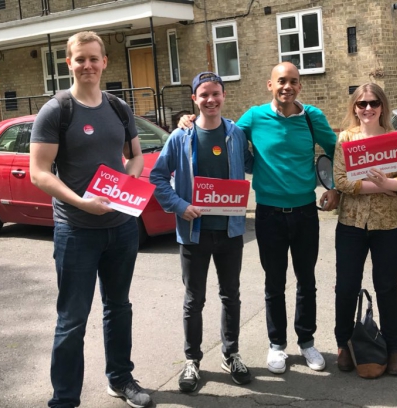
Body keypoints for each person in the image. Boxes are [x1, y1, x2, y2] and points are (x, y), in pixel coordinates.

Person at [179, 62, 340, 374]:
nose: (287, 87)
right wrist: (190, 119)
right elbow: (224, 137)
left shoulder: (312, 117)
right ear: (270, 85)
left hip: (306, 212)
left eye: (293, 81)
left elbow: (337, 151)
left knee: (306, 281)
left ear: (299, 86)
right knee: (274, 282)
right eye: (281, 81)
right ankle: (277, 344)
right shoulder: (254, 116)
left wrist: (334, 187)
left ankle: (306, 342)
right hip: (268, 214)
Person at [29, 32, 152, 408]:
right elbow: (39, 172)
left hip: (121, 228)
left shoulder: (118, 107)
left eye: (94, 59)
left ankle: (120, 379)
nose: (88, 65)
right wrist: (82, 202)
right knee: (72, 321)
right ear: (69, 63)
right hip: (76, 231)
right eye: (80, 59)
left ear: (104, 62)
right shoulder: (57, 110)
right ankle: (64, 399)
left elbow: (135, 157)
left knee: (119, 307)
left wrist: (125, 186)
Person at [149, 72, 254, 393]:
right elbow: (157, 176)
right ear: (194, 99)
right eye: (204, 95)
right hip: (194, 234)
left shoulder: (235, 134)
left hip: (230, 231)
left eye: (216, 94)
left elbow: (251, 164)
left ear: (224, 96)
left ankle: (231, 353)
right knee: (194, 301)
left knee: (230, 296)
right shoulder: (180, 137)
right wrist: (180, 206)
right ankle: (192, 360)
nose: (211, 100)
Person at [332, 83, 397, 375]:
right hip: (352, 223)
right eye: (362, 104)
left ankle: (393, 350)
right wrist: (381, 187)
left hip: (389, 224)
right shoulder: (345, 139)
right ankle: (343, 345)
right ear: (354, 107)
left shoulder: (396, 138)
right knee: (346, 286)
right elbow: (341, 181)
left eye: (374, 103)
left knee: (387, 287)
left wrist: (391, 185)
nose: (368, 108)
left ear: (383, 106)